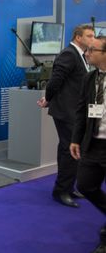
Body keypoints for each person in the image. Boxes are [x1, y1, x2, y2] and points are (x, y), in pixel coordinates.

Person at [37, 24, 95, 207]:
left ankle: (69, 187)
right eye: (89, 36)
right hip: (66, 111)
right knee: (68, 150)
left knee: (74, 151)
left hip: (76, 111)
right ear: (78, 37)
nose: (93, 39)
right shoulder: (69, 54)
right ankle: (60, 191)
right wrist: (48, 97)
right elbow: (56, 80)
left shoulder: (82, 55)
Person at [70, 36, 106, 253]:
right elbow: (82, 111)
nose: (87, 53)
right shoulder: (90, 78)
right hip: (93, 144)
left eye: (92, 50)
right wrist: (75, 138)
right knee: (85, 185)